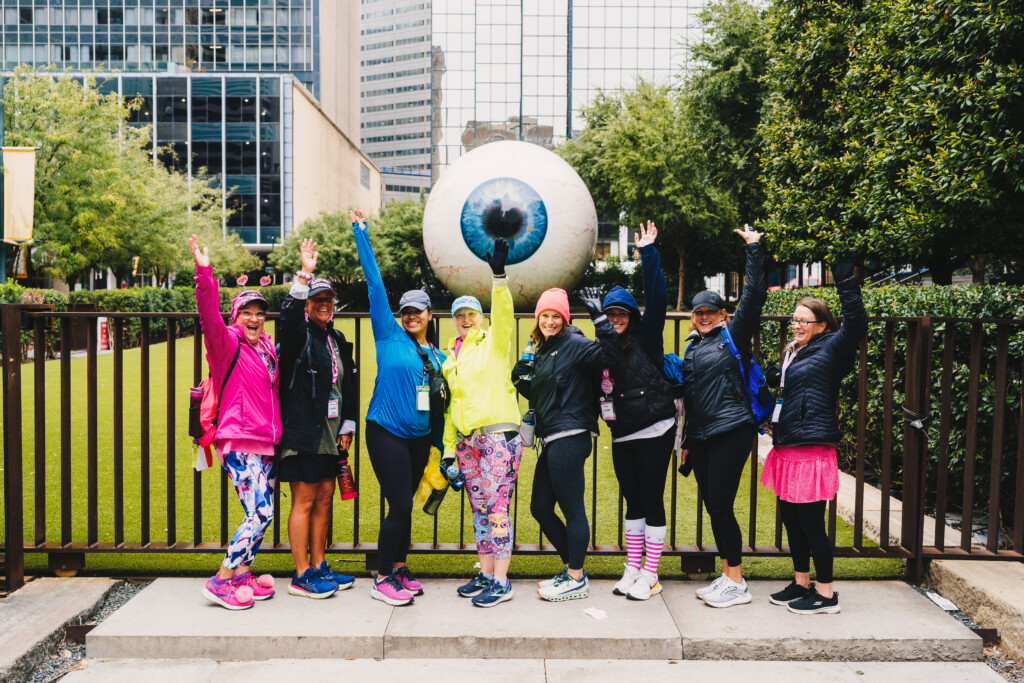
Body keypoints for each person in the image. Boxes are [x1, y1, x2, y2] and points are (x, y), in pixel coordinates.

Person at [760, 254, 866, 615]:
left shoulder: (834, 346)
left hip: (811, 446)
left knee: (811, 523)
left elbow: (856, 323)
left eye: (804, 321)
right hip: (788, 443)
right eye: (794, 320)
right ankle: (802, 581)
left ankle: (826, 593)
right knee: (791, 519)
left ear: (822, 325)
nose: (796, 325)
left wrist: (845, 281)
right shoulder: (796, 351)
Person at [352, 209, 446, 607]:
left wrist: (443, 449)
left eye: (417, 311)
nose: (410, 315)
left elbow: (442, 408)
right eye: (405, 310)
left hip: (420, 439)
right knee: (401, 503)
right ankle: (383, 576)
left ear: (428, 315)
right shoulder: (387, 333)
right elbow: (375, 285)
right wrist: (362, 236)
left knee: (403, 507)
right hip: (386, 431)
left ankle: (401, 566)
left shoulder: (439, 357)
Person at [511, 287, 622, 602]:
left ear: (564, 318)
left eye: (555, 316)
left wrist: (600, 317)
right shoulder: (544, 348)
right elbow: (532, 391)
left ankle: (576, 577)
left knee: (572, 509)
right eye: (544, 315)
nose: (549, 321)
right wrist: (521, 370)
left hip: (571, 435)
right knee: (540, 508)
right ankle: (570, 569)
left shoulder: (575, 343)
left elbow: (610, 356)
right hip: (552, 437)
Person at [191, 234, 281, 611]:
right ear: (235, 318)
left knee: (263, 512)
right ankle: (222, 580)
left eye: (260, 312)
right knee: (260, 512)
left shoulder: (267, 348)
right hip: (238, 441)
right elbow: (208, 315)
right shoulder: (225, 343)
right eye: (247, 313)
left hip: (266, 442)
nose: (255, 318)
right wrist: (204, 272)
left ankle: (244, 572)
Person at [682, 224, 766, 608]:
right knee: (714, 505)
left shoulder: (734, 335)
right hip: (700, 436)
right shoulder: (691, 349)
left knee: (720, 504)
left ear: (723, 314)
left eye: (710, 312)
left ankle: (737, 581)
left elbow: (754, 295)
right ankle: (729, 575)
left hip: (731, 429)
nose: (703, 317)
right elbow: (691, 397)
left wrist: (753, 249)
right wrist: (685, 443)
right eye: (698, 312)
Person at [441, 238, 524, 608]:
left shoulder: (493, 342)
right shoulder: (451, 358)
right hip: (467, 442)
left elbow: (504, 313)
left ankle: (502, 581)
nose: (465, 320)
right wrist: (448, 451)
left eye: (472, 314)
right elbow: (452, 408)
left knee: (495, 506)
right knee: (479, 509)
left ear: (481, 317)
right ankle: (487, 573)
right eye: (460, 315)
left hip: (498, 438)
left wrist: (499, 276)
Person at [599, 221, 678, 601]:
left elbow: (659, 299)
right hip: (622, 432)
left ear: (631, 315)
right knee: (632, 498)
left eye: (621, 314)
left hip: (654, 426)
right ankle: (633, 566)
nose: (615, 319)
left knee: (651, 497)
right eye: (609, 314)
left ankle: (651, 573)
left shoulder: (646, 337)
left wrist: (648, 253)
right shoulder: (603, 347)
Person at [277, 238, 359, 599]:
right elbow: (287, 320)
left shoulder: (336, 338)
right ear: (307, 305)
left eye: (328, 300)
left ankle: (320, 564)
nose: (324, 305)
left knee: (325, 496)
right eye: (317, 300)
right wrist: (303, 277)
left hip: (331, 434)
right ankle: (301, 573)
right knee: (305, 499)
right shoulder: (299, 336)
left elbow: (348, 384)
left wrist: (348, 425)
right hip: (304, 433)